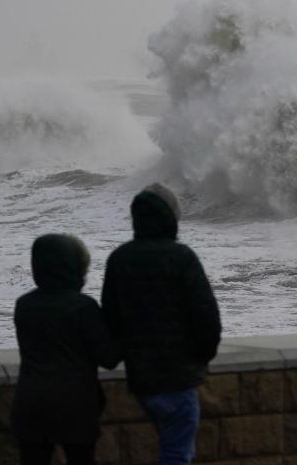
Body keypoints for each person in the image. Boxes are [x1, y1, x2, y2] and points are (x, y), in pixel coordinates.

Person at [101, 183, 221, 465]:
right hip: (178, 378)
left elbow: (110, 319)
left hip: (142, 380)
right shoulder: (182, 258)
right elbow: (207, 318)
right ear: (171, 217)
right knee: (177, 454)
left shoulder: (120, 258)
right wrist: (201, 359)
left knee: (176, 448)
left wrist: (125, 355)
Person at [11, 234, 120, 465]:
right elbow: (108, 358)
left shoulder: (24, 305)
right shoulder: (83, 308)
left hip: (30, 404)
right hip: (76, 407)